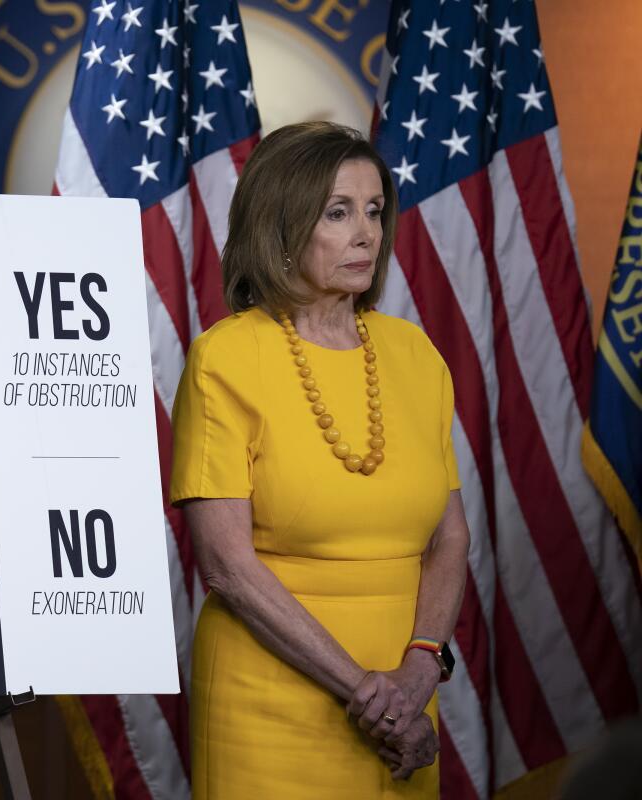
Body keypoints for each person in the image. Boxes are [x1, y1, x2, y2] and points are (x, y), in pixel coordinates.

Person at [170, 121, 471, 799]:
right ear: (281, 225)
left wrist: (419, 670)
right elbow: (227, 568)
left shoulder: (415, 356)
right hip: (271, 706)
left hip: (406, 699)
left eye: (373, 210)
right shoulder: (226, 358)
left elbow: (450, 537)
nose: (366, 232)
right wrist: (371, 694)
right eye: (338, 213)